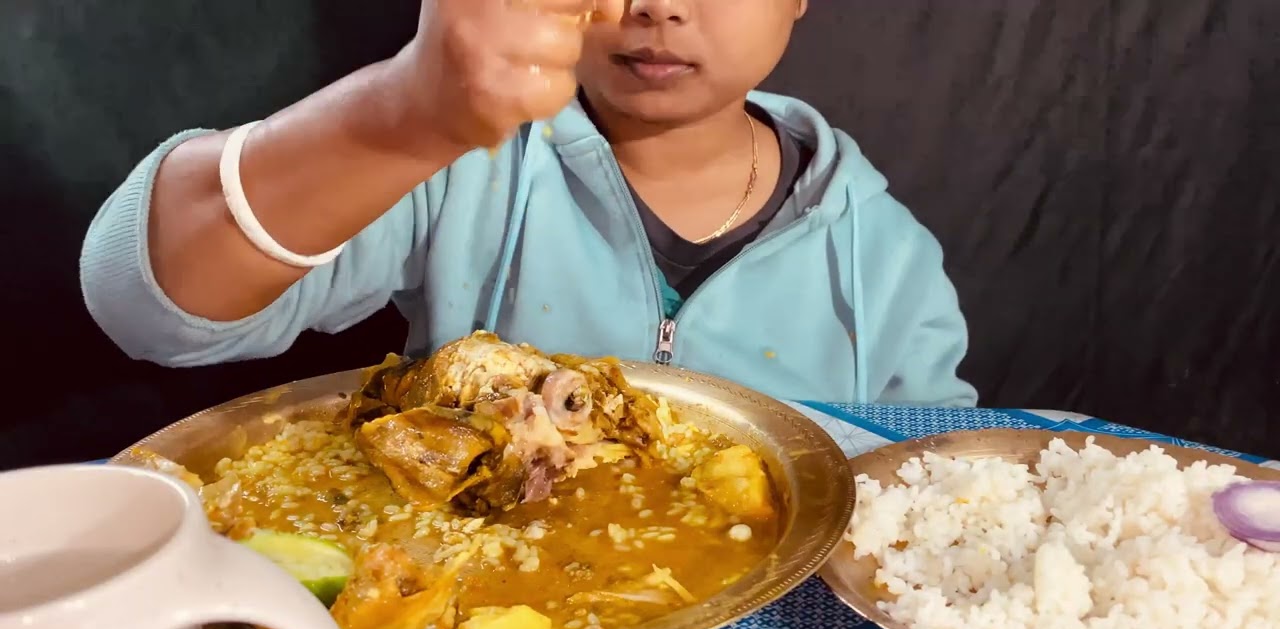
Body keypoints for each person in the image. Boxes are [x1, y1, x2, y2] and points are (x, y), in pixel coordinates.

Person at [80, 0, 977, 406]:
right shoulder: (464, 161)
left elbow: (929, 503)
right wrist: (405, 115)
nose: (656, 8)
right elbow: (156, 312)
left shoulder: (888, 257)